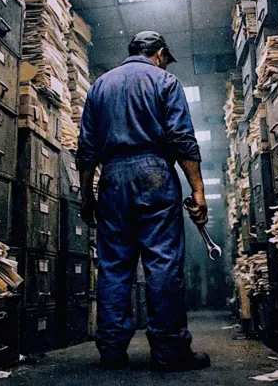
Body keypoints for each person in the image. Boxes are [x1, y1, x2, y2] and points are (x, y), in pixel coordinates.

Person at [76, 31, 211, 372]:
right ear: (160, 53)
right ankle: (169, 351)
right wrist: (197, 189)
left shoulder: (99, 86)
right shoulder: (165, 81)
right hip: (155, 174)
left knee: (113, 266)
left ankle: (111, 351)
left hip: (112, 178)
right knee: (163, 262)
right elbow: (181, 138)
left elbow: (87, 148)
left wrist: (86, 194)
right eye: (165, 59)